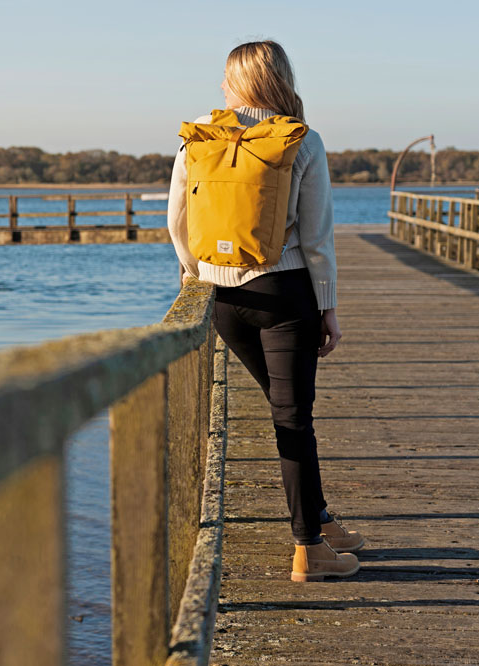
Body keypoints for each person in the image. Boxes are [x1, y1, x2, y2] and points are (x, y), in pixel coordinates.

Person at [167, 40, 364, 582]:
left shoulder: (198, 137)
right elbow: (318, 237)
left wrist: (197, 274)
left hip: (225, 301)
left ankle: (318, 520)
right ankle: (308, 549)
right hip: (285, 295)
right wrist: (328, 308)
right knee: (293, 416)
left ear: (234, 81)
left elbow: (177, 222)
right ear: (280, 79)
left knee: (285, 413)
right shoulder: (301, 139)